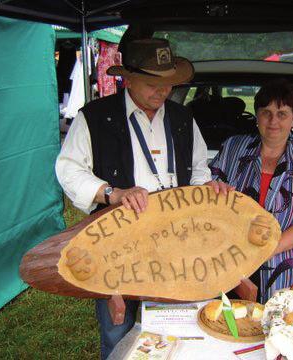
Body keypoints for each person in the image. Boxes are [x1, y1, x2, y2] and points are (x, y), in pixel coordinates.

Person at [55, 37, 231, 359]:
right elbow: (69, 170)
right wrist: (112, 192)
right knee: (117, 330)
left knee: (171, 326)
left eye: (168, 84)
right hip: (118, 241)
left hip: (174, 241)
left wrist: (207, 190)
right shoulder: (95, 117)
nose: (162, 92)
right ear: (128, 79)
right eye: (153, 83)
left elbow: (199, 170)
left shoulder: (182, 119)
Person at [209, 79, 293, 303]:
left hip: (289, 255)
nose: (273, 121)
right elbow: (209, 190)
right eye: (266, 112)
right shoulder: (233, 147)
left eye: (282, 114)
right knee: (230, 323)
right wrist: (211, 187)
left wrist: (269, 249)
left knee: (282, 325)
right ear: (256, 115)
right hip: (232, 254)